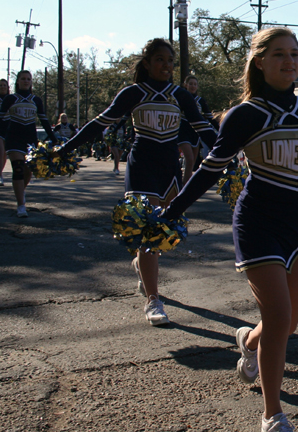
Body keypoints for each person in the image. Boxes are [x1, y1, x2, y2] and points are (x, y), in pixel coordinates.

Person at [162, 28, 298, 432]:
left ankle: (248, 342)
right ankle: (272, 413)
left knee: (287, 323)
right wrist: (173, 211)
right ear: (260, 61)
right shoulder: (245, 115)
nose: (288, 61)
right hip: (258, 223)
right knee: (280, 317)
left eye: (295, 54)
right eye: (279, 54)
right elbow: (210, 169)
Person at [58, 38, 217, 326]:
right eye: (160, 60)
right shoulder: (133, 93)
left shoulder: (180, 95)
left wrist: (229, 155)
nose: (166, 66)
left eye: (170, 61)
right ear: (147, 63)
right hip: (142, 166)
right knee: (150, 232)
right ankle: (153, 300)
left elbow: (204, 128)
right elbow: (99, 123)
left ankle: (142, 265)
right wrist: (65, 148)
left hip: (169, 169)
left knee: (166, 229)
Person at [0, 71, 57, 216]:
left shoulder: (36, 100)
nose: (26, 81)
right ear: (18, 81)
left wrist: (54, 138)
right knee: (17, 168)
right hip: (13, 137)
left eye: (28, 79)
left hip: (30, 139)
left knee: (28, 171)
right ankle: (21, 206)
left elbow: (44, 121)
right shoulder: (11, 98)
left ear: (31, 82)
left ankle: (20, 192)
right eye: (23, 79)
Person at [178, 75, 216, 183]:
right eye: (190, 84)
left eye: (195, 84)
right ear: (186, 85)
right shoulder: (181, 97)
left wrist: (220, 128)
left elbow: (210, 117)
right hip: (183, 130)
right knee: (189, 160)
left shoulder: (200, 101)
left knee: (192, 163)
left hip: (195, 132)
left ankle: (185, 190)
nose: (193, 86)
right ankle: (179, 186)